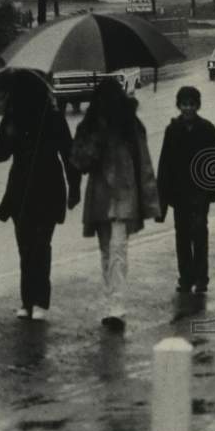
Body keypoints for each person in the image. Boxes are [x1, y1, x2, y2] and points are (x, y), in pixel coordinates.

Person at [70, 79, 161, 331]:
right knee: (107, 252)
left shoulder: (130, 125)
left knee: (117, 250)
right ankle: (111, 301)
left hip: (124, 195)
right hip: (101, 197)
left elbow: (143, 162)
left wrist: (151, 200)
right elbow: (78, 162)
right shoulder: (89, 127)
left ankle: (116, 306)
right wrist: (94, 142)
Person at [0, 71, 81, 321]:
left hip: (47, 186)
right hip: (21, 189)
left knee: (39, 245)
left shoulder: (52, 118)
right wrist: (8, 133)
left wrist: (74, 187)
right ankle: (28, 300)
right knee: (26, 246)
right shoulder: (12, 118)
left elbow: (68, 153)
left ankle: (39, 300)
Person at [156, 86, 215, 295]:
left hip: (200, 192)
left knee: (199, 233)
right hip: (179, 193)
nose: (188, 108)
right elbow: (165, 164)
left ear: (198, 105)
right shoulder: (172, 130)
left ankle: (201, 278)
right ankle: (185, 278)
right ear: (178, 105)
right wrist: (161, 199)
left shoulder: (207, 129)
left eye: (191, 104)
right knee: (182, 235)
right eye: (184, 104)